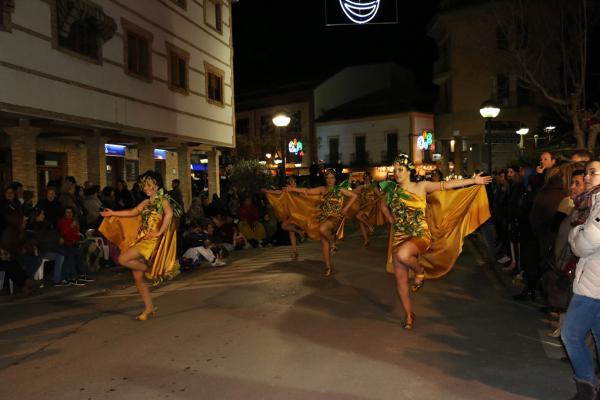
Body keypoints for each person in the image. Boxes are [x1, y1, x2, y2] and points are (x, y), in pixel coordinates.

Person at [379, 154, 491, 329]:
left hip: (420, 235)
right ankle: (409, 315)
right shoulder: (392, 190)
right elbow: (383, 206)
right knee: (400, 279)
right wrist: (391, 220)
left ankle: (420, 270)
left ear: (409, 171)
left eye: (400, 169)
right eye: (394, 170)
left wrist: (473, 180)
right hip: (400, 235)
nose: (396, 173)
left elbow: (445, 185)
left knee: (403, 254)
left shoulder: (421, 186)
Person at [99, 171, 181, 321]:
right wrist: (113, 212)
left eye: (149, 185)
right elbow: (132, 212)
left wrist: (159, 232)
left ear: (157, 185)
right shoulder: (145, 202)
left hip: (150, 242)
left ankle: (153, 270)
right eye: (144, 186)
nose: (146, 188)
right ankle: (149, 307)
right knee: (138, 278)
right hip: (141, 239)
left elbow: (169, 215)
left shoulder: (163, 200)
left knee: (123, 259)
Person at [562, 159, 600, 399]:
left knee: (571, 334)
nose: (587, 177)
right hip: (594, 280)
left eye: (593, 172)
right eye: (586, 172)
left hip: (593, 284)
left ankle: (587, 386)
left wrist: (575, 233)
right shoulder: (593, 201)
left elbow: (586, 244)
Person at [285, 168, 357, 277]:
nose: (329, 180)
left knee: (322, 229)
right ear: (325, 179)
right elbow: (306, 191)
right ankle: (328, 267)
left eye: (332, 178)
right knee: (324, 242)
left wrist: (346, 208)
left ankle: (333, 243)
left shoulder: (340, 189)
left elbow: (354, 196)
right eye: (327, 178)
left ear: (335, 179)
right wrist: (293, 190)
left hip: (335, 217)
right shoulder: (322, 189)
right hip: (323, 217)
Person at [263, 177, 307, 259]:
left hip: (297, 214)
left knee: (284, 226)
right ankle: (295, 252)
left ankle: (300, 231)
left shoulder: (298, 190)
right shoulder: (287, 190)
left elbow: (304, 197)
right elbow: (278, 192)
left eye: (293, 182)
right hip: (289, 214)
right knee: (291, 232)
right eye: (291, 182)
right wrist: (267, 191)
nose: (293, 183)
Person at [351, 172, 383, 247]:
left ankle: (369, 226)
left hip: (370, 206)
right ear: (364, 179)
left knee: (358, 216)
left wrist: (375, 201)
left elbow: (379, 196)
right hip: (363, 206)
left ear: (370, 179)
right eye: (365, 178)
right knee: (361, 222)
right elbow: (352, 192)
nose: (367, 180)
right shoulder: (361, 187)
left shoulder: (373, 187)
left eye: (368, 178)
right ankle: (366, 240)